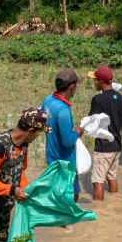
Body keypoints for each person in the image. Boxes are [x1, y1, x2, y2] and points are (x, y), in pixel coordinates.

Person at [0, 108, 48, 242]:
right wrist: (13, 190)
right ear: (30, 131)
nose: (38, 136)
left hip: (4, 205)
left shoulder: (23, 144)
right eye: (39, 133)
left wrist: (25, 190)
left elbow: (21, 170)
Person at [41, 69, 84, 201]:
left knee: (57, 196)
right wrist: (78, 131)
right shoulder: (64, 110)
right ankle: (62, 222)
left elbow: (42, 121)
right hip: (65, 162)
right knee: (71, 199)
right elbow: (67, 141)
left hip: (51, 157)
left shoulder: (48, 100)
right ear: (72, 86)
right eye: (76, 84)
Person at [87, 67, 122, 200]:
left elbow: (92, 121)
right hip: (116, 145)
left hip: (103, 147)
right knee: (112, 178)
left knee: (97, 181)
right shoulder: (121, 98)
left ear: (100, 82)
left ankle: (99, 210)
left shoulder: (98, 99)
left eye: (95, 80)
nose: (94, 83)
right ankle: (113, 204)